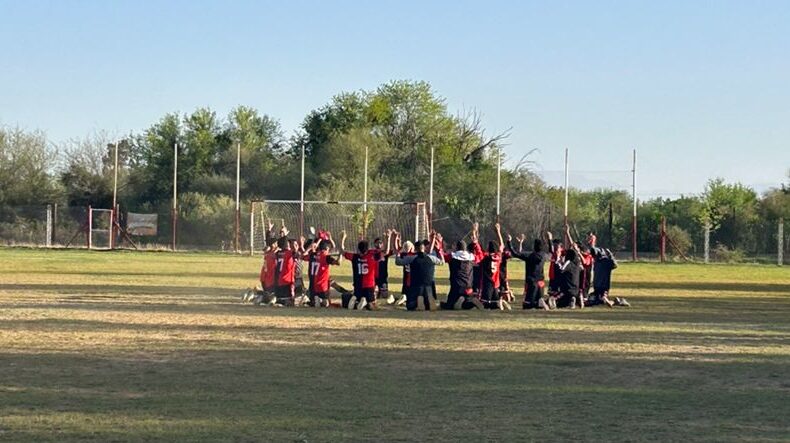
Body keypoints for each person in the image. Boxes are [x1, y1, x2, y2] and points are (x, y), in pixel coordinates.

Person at [395, 233, 444, 311]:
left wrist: (398, 252)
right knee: (428, 301)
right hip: (429, 286)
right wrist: (439, 250)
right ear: (424, 248)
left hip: (416, 286)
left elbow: (398, 262)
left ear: (416, 249)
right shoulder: (431, 258)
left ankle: (417, 302)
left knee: (410, 306)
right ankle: (427, 302)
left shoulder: (412, 258)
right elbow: (442, 262)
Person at [438, 231, 484, 310]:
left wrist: (439, 243)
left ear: (457, 248)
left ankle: (458, 301)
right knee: (467, 304)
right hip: (468, 287)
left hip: (456, 287)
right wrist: (476, 244)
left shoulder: (452, 256)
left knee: (449, 305)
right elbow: (481, 256)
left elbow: (441, 256)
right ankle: (471, 303)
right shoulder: (471, 257)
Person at [341, 231, 383, 311]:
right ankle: (366, 302)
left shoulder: (354, 257)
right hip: (369, 285)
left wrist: (342, 239)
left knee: (357, 296)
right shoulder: (372, 257)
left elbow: (342, 252)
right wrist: (388, 239)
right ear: (367, 249)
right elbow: (384, 252)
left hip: (358, 284)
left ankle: (356, 299)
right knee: (372, 305)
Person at [507, 234, 548, 310]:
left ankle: (538, 303)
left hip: (532, 282)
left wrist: (509, 242)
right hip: (541, 282)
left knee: (527, 305)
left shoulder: (530, 256)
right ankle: (541, 302)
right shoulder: (544, 256)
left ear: (534, 246)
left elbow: (516, 253)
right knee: (537, 304)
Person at [305, 232, 341, 308]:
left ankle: (316, 300)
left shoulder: (313, 255)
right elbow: (338, 263)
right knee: (326, 303)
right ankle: (321, 301)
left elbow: (304, 255)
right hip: (323, 285)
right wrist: (340, 253)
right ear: (326, 248)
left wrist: (310, 248)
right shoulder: (326, 257)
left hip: (314, 284)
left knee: (330, 282)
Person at [478, 223, 508, 310]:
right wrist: (498, 232)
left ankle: (498, 303)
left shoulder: (486, 256)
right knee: (494, 303)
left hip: (488, 282)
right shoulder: (498, 256)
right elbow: (502, 245)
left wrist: (475, 233)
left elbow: (479, 252)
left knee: (485, 304)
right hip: (496, 282)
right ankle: (499, 302)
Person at [372, 230, 396, 304]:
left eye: (380, 243)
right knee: (373, 296)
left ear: (382, 244)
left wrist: (393, 239)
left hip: (383, 277)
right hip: (374, 277)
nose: (379, 244)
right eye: (377, 242)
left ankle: (384, 294)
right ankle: (376, 292)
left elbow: (393, 251)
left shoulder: (385, 253)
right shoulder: (373, 252)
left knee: (385, 296)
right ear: (374, 244)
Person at [394, 232, 414, 307]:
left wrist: (395, 239)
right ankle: (406, 298)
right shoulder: (413, 255)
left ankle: (404, 298)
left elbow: (397, 249)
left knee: (406, 287)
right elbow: (398, 248)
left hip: (407, 273)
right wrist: (396, 240)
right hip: (410, 274)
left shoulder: (404, 255)